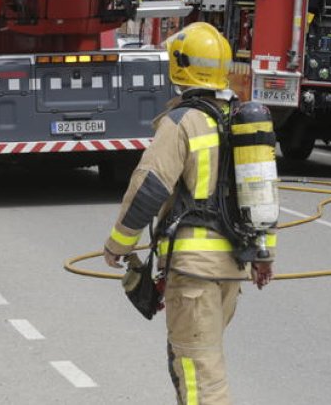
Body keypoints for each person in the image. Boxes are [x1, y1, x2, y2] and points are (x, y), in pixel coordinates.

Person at [102, 22, 275, 405]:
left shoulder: (182, 121)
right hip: (231, 267)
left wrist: (118, 243)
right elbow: (261, 191)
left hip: (195, 272)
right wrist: (264, 255)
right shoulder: (239, 119)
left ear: (178, 66)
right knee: (193, 363)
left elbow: (149, 187)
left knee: (201, 377)